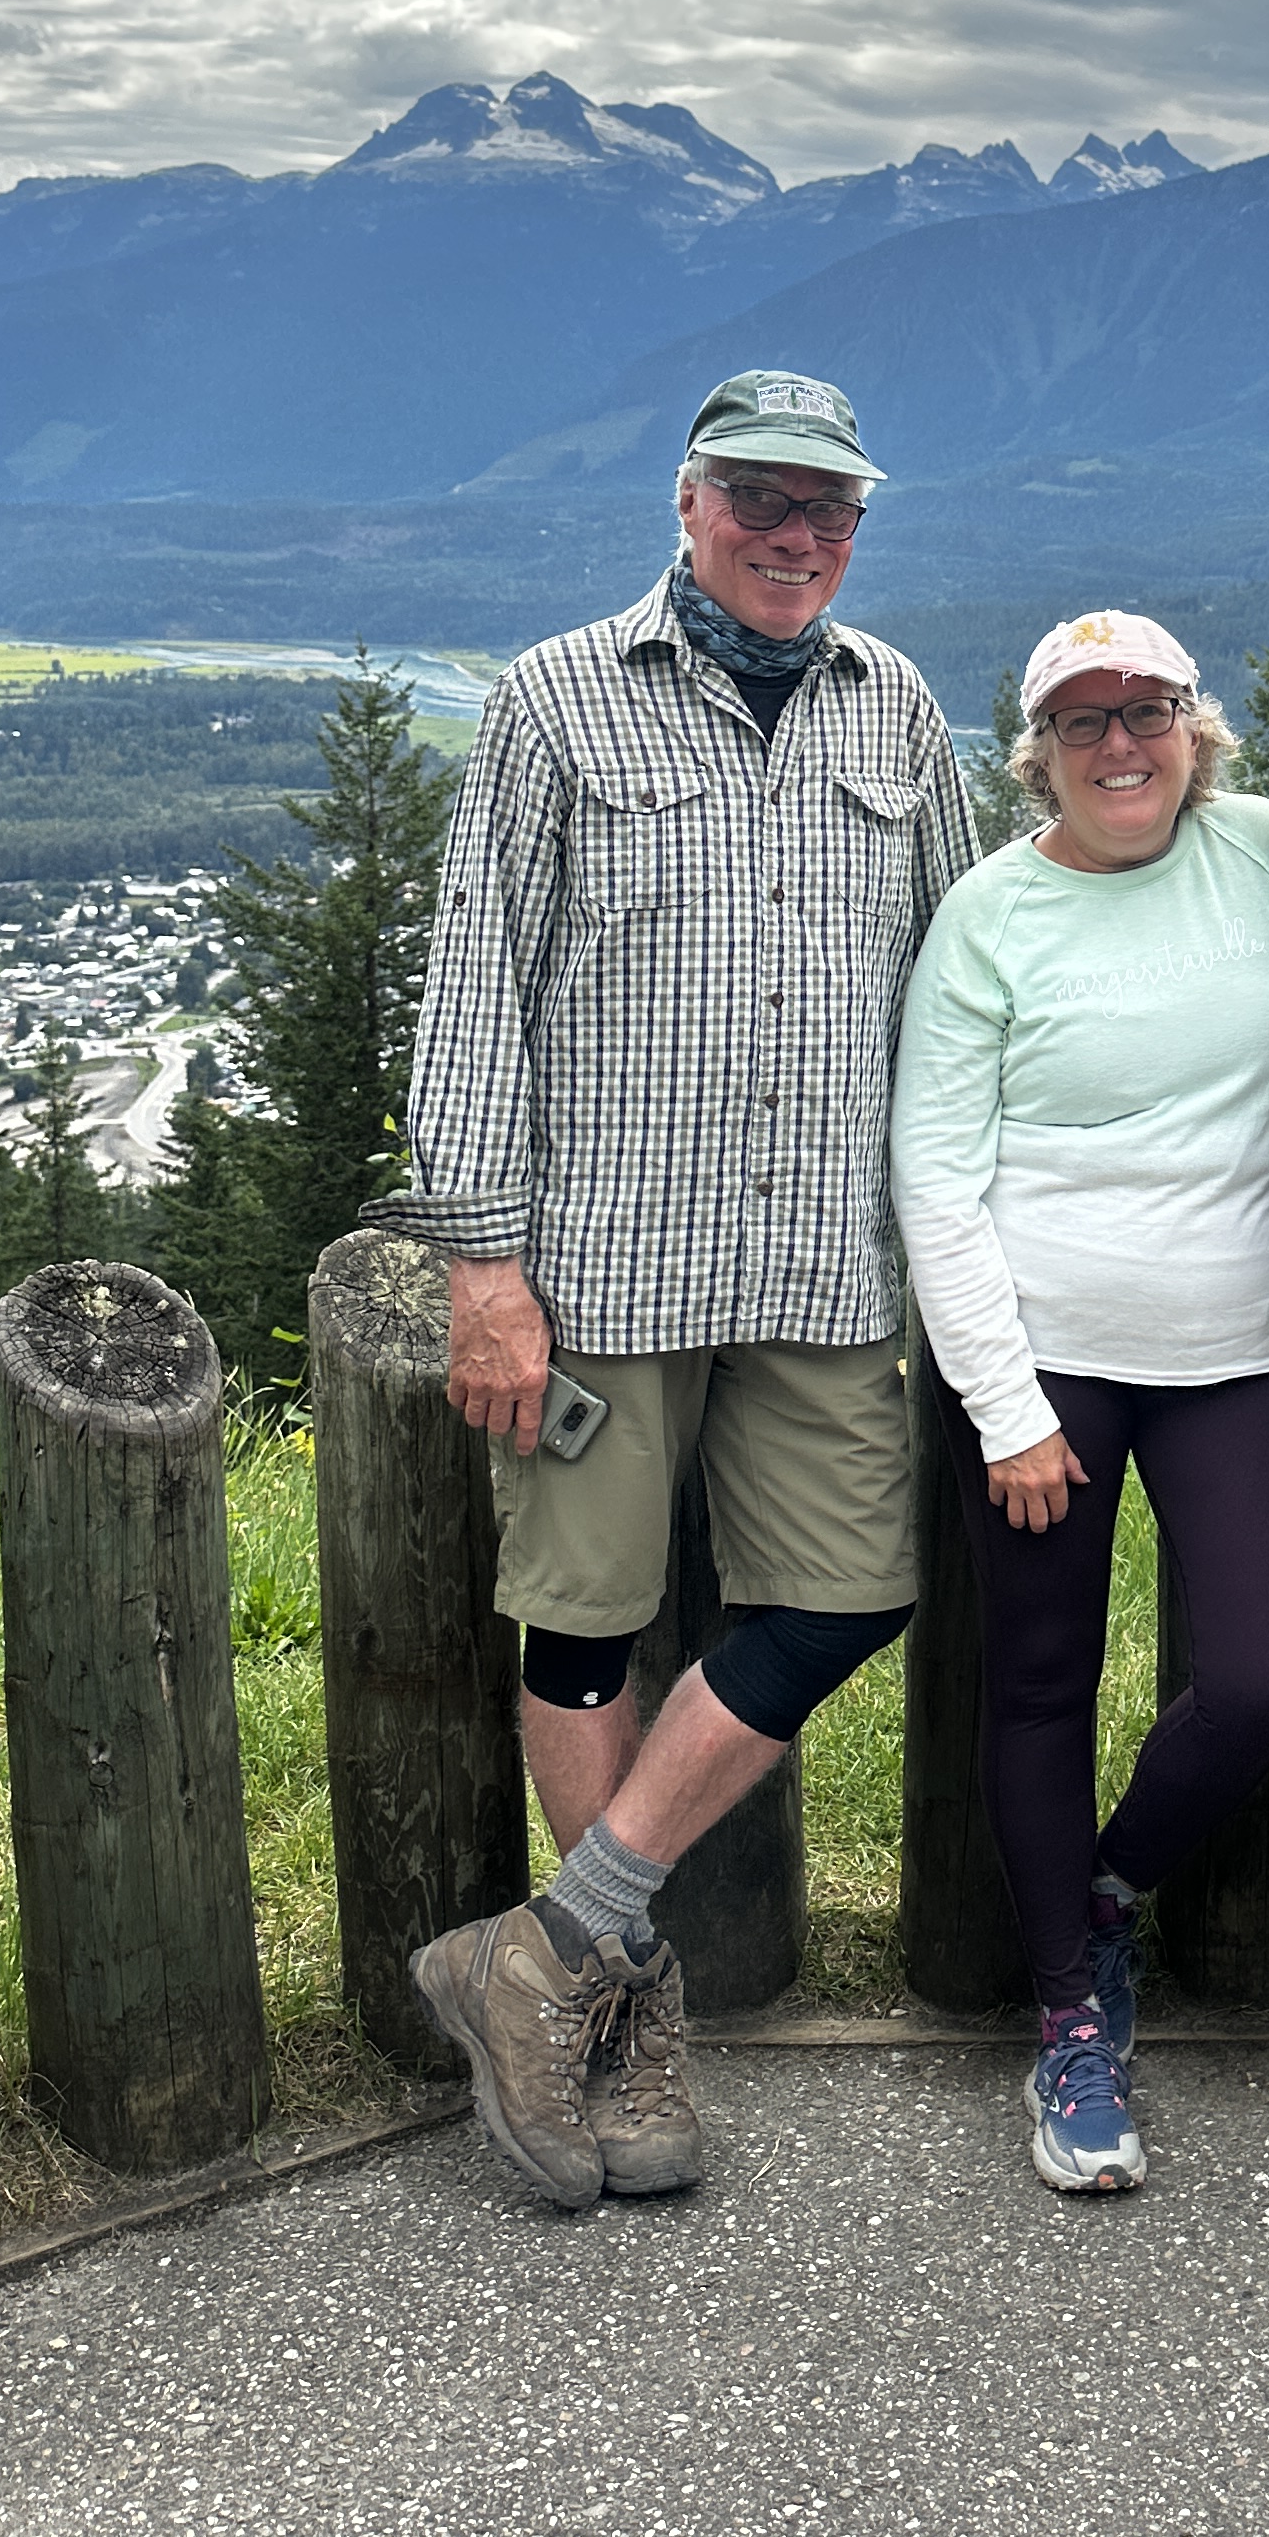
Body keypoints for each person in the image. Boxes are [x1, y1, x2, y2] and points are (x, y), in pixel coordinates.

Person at [384, 368, 971, 2208]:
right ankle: (619, 2023)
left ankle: (546, 1950)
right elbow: (476, 978)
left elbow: (966, 970)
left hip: (822, 1261)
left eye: (830, 507)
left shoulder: (897, 707)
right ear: (691, 502)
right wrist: (485, 1264)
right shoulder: (557, 696)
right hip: (604, 1264)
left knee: (851, 1590)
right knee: (584, 1621)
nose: (798, 535)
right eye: (762, 499)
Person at [891, 611, 1269, 2192]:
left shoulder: (1267, 853)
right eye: (1083, 723)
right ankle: (1070, 2019)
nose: (1120, 746)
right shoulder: (990, 917)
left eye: (1147, 713)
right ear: (1040, 757)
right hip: (1049, 1358)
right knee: (1039, 1685)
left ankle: (1110, 1889)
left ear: (1196, 733)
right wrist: (1003, 1403)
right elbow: (936, 1178)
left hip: (1246, 1346)